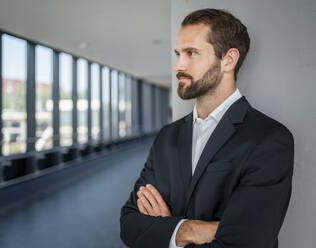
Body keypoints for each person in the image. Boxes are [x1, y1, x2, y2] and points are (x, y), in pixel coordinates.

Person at [120, 8, 294, 248]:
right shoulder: (167, 136)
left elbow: (246, 242)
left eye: (191, 53)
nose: (178, 65)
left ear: (228, 60)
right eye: (178, 54)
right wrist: (190, 229)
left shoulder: (270, 138)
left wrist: (167, 229)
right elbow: (129, 224)